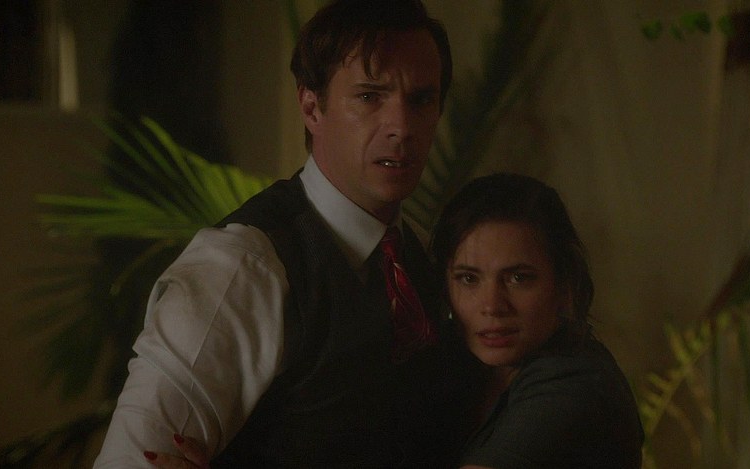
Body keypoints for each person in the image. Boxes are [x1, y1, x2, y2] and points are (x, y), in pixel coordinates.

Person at [93, 1, 471, 467]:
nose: (402, 127)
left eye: (421, 100)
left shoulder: (422, 258)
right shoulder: (242, 269)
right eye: (370, 96)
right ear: (311, 106)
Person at [430, 173, 644, 469]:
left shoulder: (575, 382)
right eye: (468, 279)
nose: (492, 306)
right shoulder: (464, 368)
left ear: (564, 285)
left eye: (519, 278)